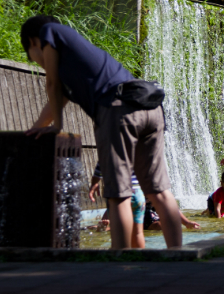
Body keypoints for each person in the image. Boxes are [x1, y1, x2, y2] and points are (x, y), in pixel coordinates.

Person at [20, 15, 183, 249]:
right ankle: (178, 256)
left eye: (32, 56)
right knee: (160, 192)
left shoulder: (49, 30)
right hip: (150, 106)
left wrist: (57, 127)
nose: (39, 62)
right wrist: (38, 126)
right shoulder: (76, 61)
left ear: (33, 42)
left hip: (118, 109)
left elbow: (52, 84)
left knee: (119, 195)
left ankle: (120, 262)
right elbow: (59, 96)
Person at [88, 162, 146, 248]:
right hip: (138, 193)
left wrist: (94, 183)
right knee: (138, 233)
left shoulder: (109, 153)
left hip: (118, 192)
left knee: (118, 235)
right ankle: (139, 256)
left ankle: (121, 256)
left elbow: (101, 163)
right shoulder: (136, 152)